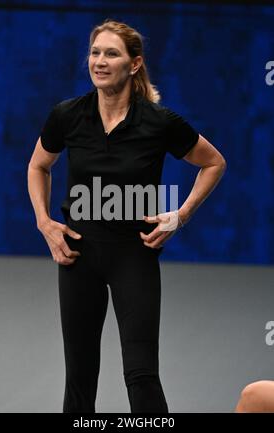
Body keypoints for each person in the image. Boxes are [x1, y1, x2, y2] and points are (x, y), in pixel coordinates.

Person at [27, 19, 226, 413]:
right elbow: (38, 166)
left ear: (134, 65)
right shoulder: (67, 115)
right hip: (78, 256)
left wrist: (180, 216)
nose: (99, 61)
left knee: (141, 375)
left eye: (111, 53)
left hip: (134, 256)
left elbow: (214, 162)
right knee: (79, 377)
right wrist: (45, 223)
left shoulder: (159, 122)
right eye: (95, 52)